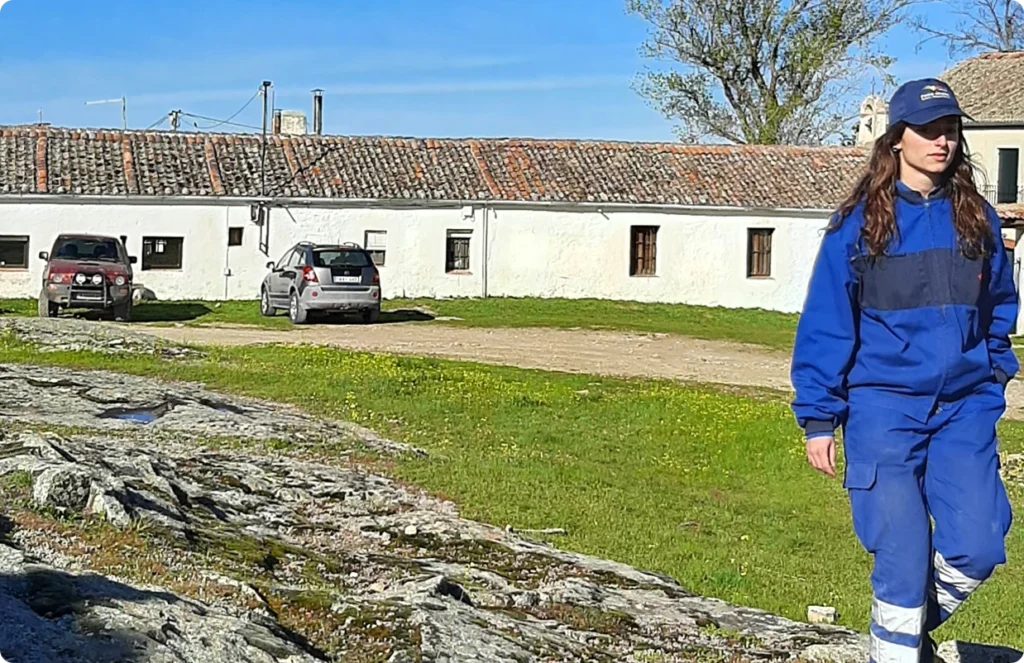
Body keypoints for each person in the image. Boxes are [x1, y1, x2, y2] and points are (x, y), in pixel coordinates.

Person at [790, 78, 1018, 662]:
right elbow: (825, 323)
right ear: (897, 139)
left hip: (964, 410)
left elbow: (999, 304)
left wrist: (994, 370)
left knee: (979, 544)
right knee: (902, 549)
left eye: (950, 129)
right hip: (883, 410)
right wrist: (819, 418)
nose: (942, 140)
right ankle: (894, 650)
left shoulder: (979, 219)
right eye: (928, 129)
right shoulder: (859, 226)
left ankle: (908, 624)